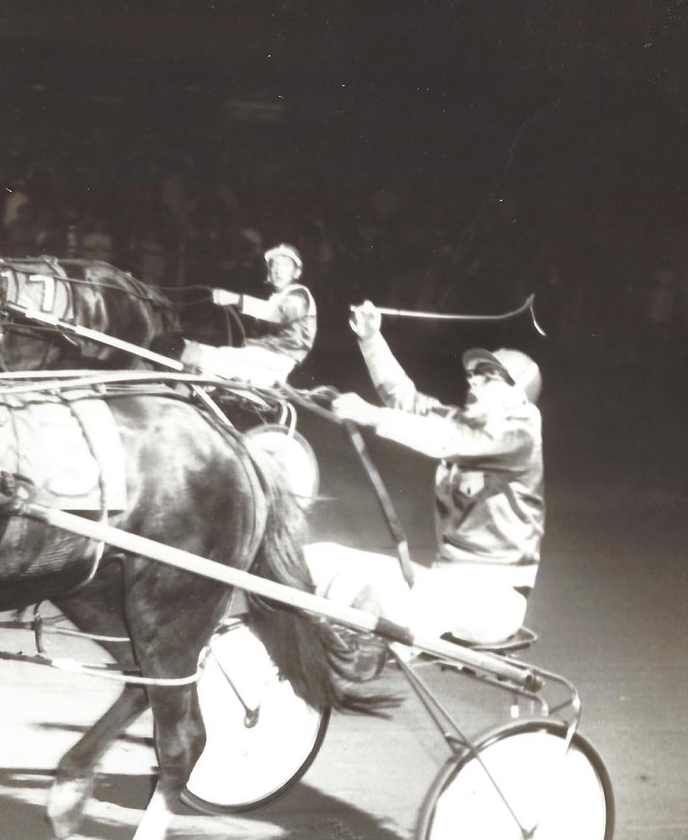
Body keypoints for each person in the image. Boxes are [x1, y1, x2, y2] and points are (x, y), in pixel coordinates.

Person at [305, 300, 544, 652]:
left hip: (494, 602)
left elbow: (446, 440)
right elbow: (403, 399)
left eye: (487, 377)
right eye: (473, 375)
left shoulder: (521, 433)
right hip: (446, 584)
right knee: (317, 558)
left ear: (516, 395)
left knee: (378, 598)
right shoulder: (463, 419)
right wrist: (372, 338)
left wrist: (372, 416)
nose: (473, 382)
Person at [181, 243, 317, 389]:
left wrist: (235, 299)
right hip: (265, 355)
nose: (278, 270)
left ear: (296, 272)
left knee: (199, 354)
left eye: (285, 265)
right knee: (196, 350)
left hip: (277, 360)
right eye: (274, 265)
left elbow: (278, 313)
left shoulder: (301, 295)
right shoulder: (276, 297)